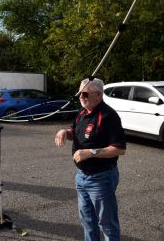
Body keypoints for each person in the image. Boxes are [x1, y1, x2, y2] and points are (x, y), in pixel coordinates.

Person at [55, 78, 126, 241]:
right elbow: (73, 130)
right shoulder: (82, 112)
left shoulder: (108, 115)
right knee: (87, 221)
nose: (81, 97)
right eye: (79, 93)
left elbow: (120, 149)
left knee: (107, 223)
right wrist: (64, 132)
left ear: (99, 95)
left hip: (101, 177)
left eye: (85, 93)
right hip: (81, 176)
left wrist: (90, 152)